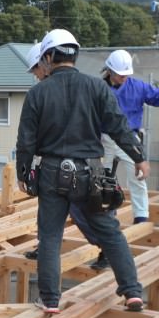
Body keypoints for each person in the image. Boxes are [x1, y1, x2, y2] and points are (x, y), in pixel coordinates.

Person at [16, 29, 148, 314]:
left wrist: (23, 174)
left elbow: (25, 141)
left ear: (49, 57)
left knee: (50, 237)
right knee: (111, 233)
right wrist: (139, 157)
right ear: (73, 55)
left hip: (51, 172)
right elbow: (119, 127)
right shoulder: (97, 88)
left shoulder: (38, 92)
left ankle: (50, 300)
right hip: (89, 173)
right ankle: (133, 292)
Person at [22, 43, 110, 271]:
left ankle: (106, 249)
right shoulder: (50, 89)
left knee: (86, 210)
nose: (36, 75)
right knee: (50, 211)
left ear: (45, 62)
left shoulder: (70, 87)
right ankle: (46, 247)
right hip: (60, 164)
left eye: (35, 70)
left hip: (82, 163)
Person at [101, 49, 159, 224]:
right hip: (105, 138)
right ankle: (107, 216)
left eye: (126, 74)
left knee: (138, 178)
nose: (123, 78)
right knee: (103, 180)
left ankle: (141, 218)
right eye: (120, 75)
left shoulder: (138, 87)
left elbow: (157, 97)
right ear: (110, 71)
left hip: (130, 139)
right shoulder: (99, 88)